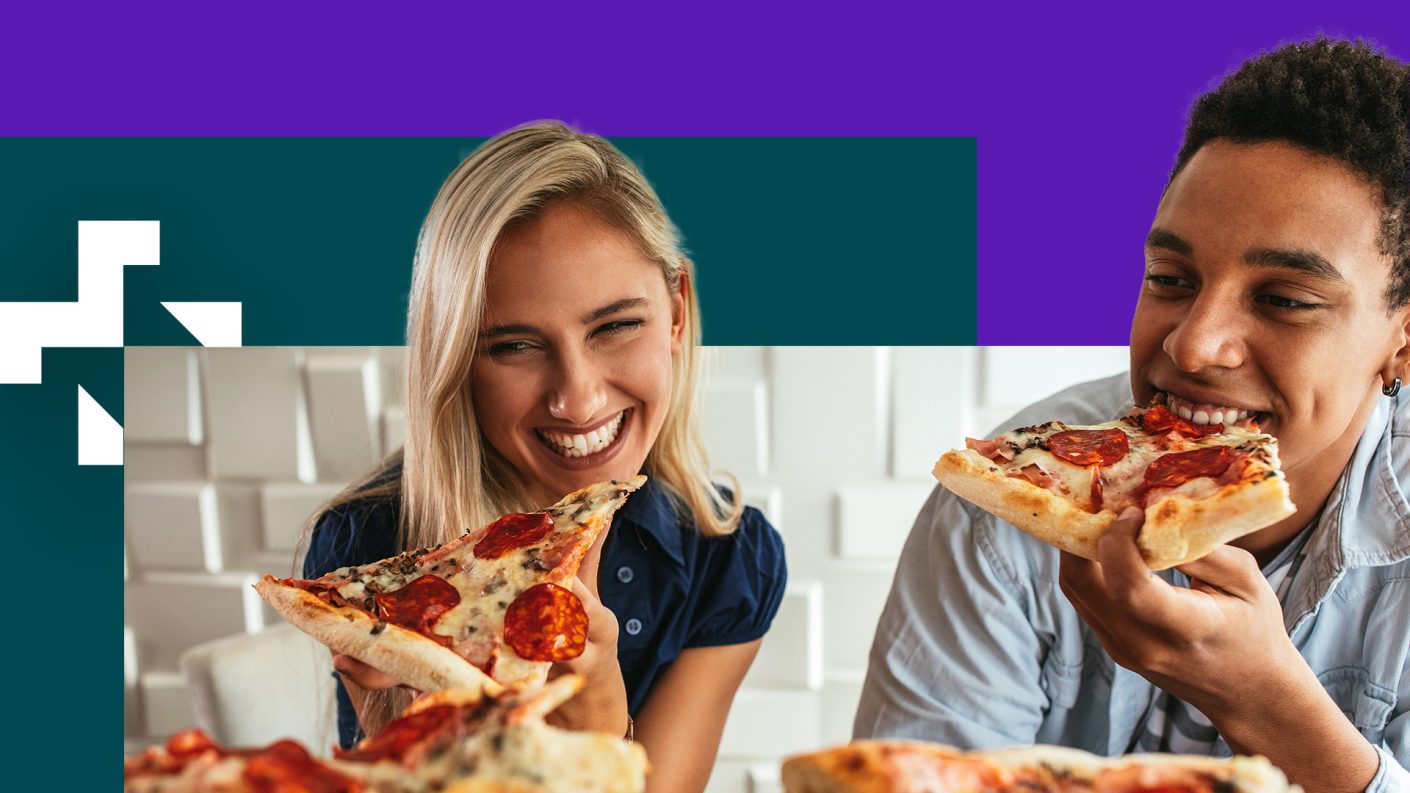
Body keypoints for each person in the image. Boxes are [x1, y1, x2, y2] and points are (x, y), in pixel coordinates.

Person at [854, 38, 1410, 793]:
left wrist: (1273, 708)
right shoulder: (1013, 502)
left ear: (1401, 342)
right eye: (1170, 278)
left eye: (1285, 299)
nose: (1193, 342)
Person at [302, 122, 787, 793]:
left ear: (677, 312)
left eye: (616, 325)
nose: (578, 398)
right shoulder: (371, 553)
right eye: (514, 346)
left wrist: (595, 702)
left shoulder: (730, 556)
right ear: (456, 363)